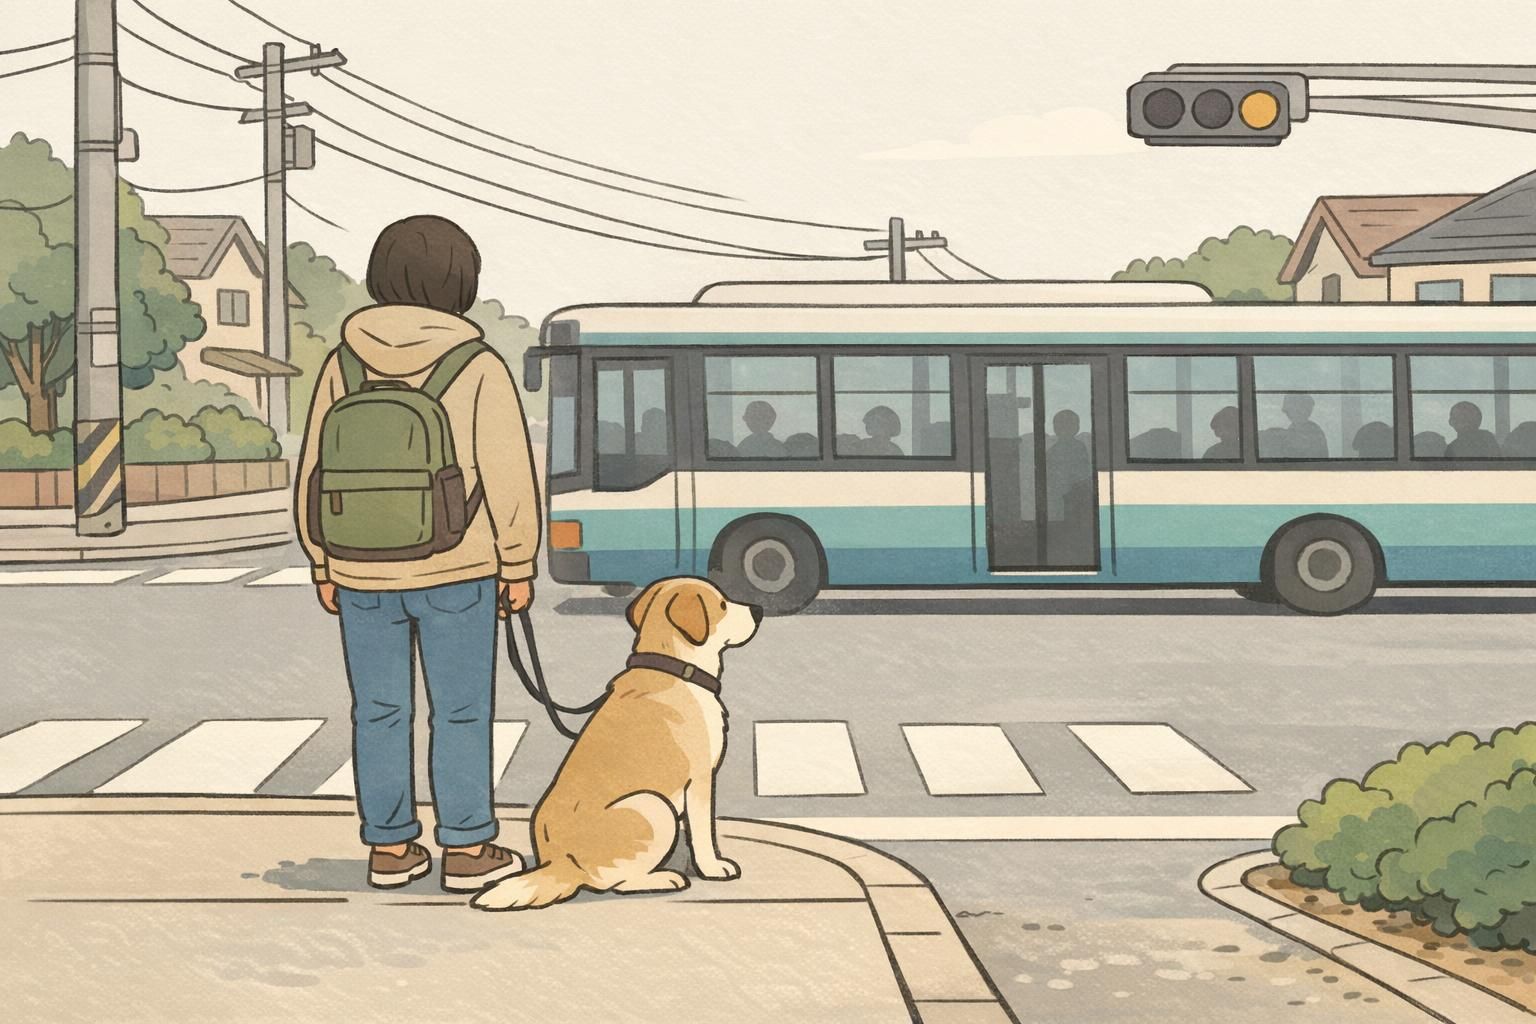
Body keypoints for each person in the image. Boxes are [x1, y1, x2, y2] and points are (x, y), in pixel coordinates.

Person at [296, 215, 539, 894]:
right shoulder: (477, 364)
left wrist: (321, 559)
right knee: (461, 710)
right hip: (457, 566)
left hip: (359, 567)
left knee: (378, 710)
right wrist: (518, 563)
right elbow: (508, 472)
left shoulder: (343, 362)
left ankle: (390, 848)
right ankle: (466, 848)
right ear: (461, 281)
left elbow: (315, 467)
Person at [1280, 394, 1328, 458]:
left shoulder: (1314, 431)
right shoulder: (1291, 428)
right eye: (1288, 412)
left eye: (1291, 410)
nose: (1288, 415)